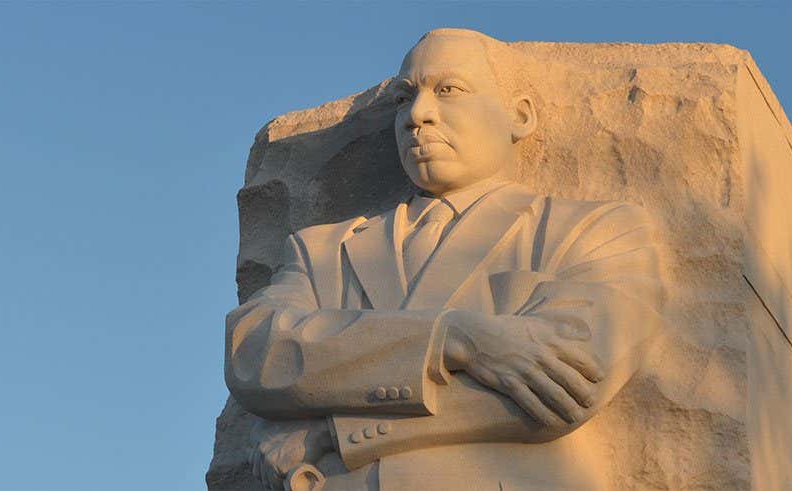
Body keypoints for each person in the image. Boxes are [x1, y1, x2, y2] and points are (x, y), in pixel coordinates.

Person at [224, 28, 667, 491]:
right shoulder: (323, 251)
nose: (417, 115)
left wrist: (334, 433)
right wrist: (451, 337)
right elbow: (255, 353)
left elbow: (566, 384)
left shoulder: (589, 231)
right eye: (403, 98)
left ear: (519, 116)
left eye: (448, 90)